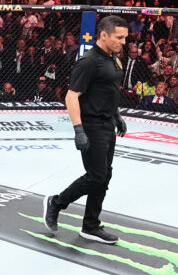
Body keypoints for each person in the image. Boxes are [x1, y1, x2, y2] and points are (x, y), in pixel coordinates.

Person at [43, 15, 128, 244]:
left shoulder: (113, 58)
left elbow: (107, 90)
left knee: (104, 175)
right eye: (119, 37)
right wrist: (78, 130)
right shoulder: (89, 61)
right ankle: (56, 202)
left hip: (107, 123)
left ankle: (90, 225)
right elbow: (72, 96)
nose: (123, 42)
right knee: (97, 175)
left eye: (125, 37)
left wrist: (116, 115)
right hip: (91, 125)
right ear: (104, 35)